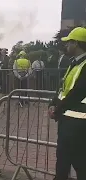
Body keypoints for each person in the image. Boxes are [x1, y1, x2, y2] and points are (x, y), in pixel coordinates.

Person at [48, 27, 86, 180]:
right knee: (67, 161)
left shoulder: (83, 65)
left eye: (68, 42)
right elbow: (63, 88)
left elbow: (77, 93)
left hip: (77, 122)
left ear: (76, 44)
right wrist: (52, 103)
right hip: (68, 120)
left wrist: (57, 109)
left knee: (75, 162)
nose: (66, 46)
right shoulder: (74, 63)